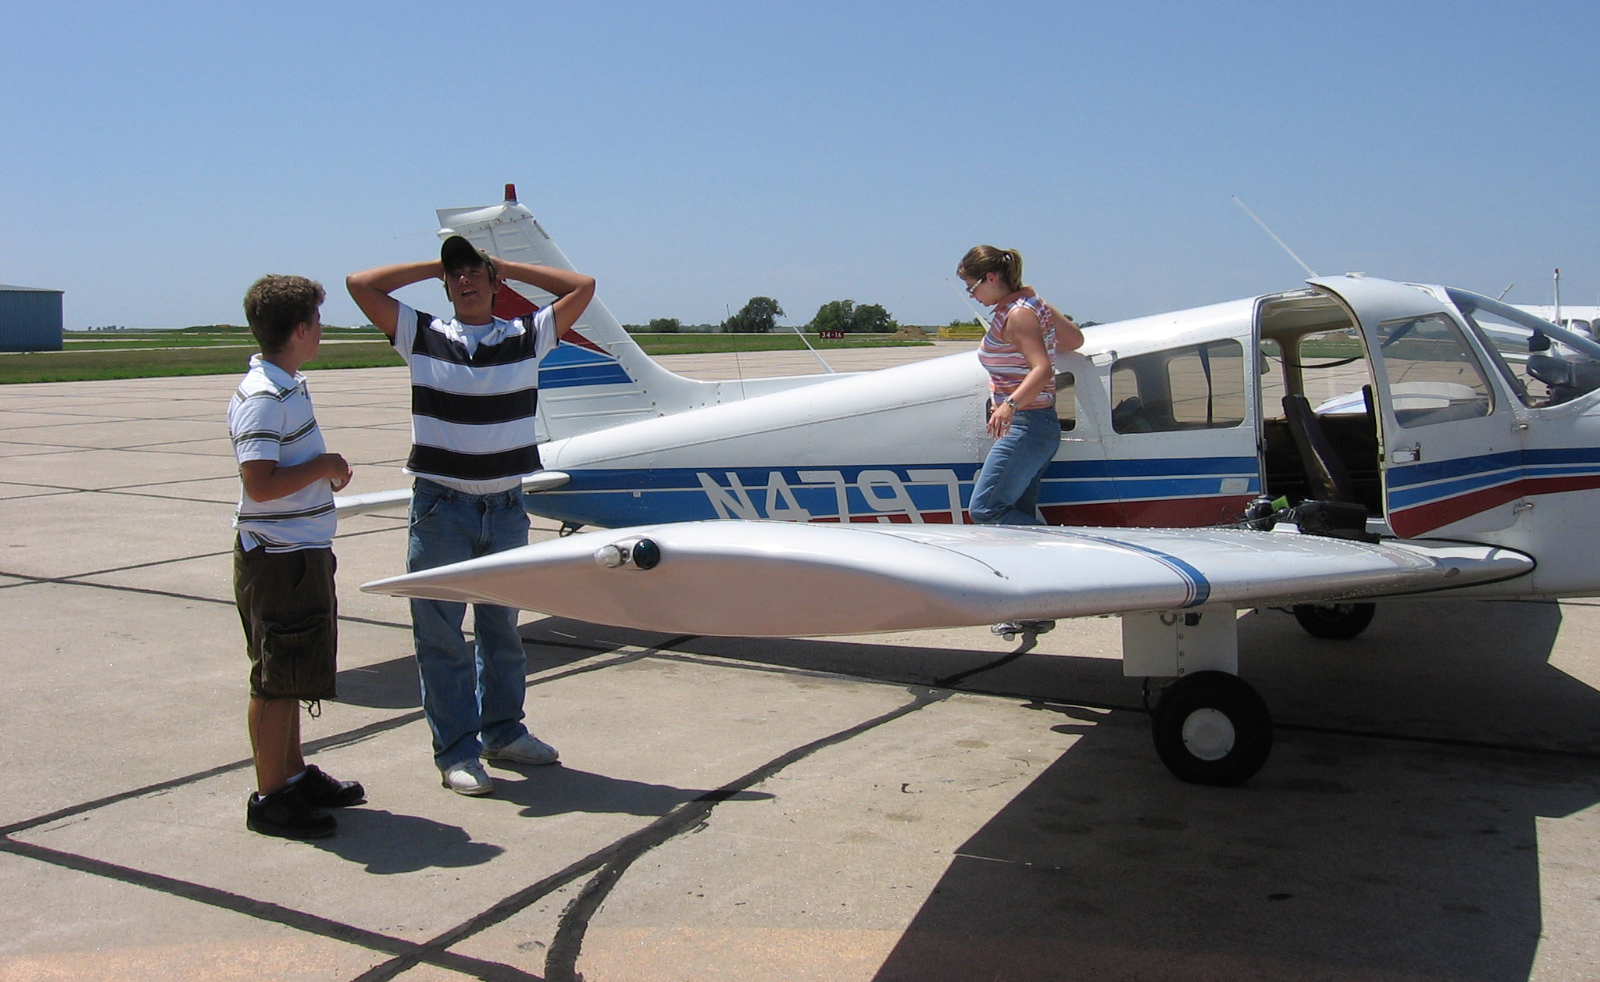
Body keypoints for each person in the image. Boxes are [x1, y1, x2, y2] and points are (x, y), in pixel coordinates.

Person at [346, 236, 595, 796]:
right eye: (454, 274)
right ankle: (456, 752)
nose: (465, 280)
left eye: (475, 272)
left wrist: (504, 265)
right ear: (444, 284)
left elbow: (583, 288)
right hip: (442, 506)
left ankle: (503, 733)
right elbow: (361, 285)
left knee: (502, 630)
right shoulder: (424, 335)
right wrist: (436, 264)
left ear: (494, 281)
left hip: (506, 505)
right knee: (440, 636)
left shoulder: (526, 336)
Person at [231, 274, 364, 839]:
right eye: (318, 319)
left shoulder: (288, 384)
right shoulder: (264, 397)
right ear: (302, 328)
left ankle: (291, 773)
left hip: (299, 553)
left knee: (293, 672)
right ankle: (270, 798)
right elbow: (259, 482)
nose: (323, 329)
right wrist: (327, 465)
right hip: (279, 559)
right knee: (277, 677)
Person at [957, 246, 1084, 637]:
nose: (971, 294)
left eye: (972, 285)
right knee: (1016, 523)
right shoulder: (1031, 305)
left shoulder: (1019, 314)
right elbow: (1074, 339)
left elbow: (1043, 368)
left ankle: (1069, 564)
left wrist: (1009, 405)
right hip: (1038, 426)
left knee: (987, 508)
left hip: (1027, 425)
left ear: (992, 279)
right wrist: (1038, 305)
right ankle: (1033, 605)